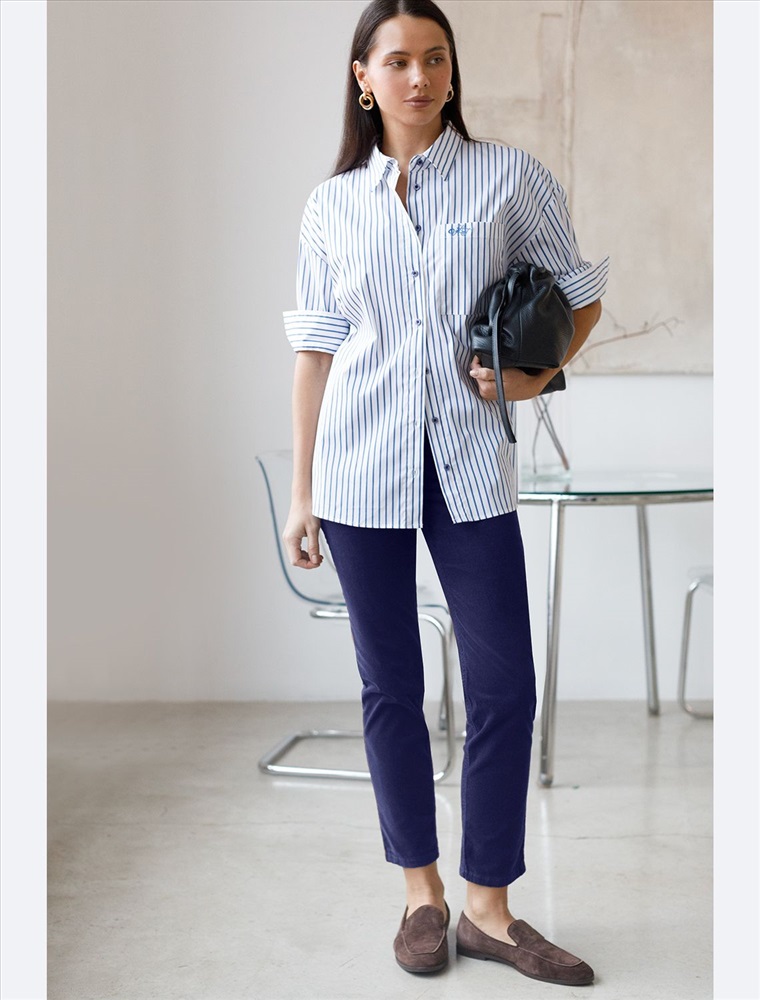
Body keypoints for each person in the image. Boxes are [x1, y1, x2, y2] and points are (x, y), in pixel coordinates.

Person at [282, 0, 606, 986]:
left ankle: (488, 909)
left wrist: (532, 379)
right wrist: (301, 492)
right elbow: (314, 353)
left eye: (435, 58)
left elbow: (580, 292)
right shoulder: (330, 205)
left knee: (504, 685)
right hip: (357, 470)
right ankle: (420, 896)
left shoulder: (509, 177)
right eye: (397, 61)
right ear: (363, 77)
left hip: (468, 464)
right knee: (391, 687)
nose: (418, 76)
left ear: (452, 72)